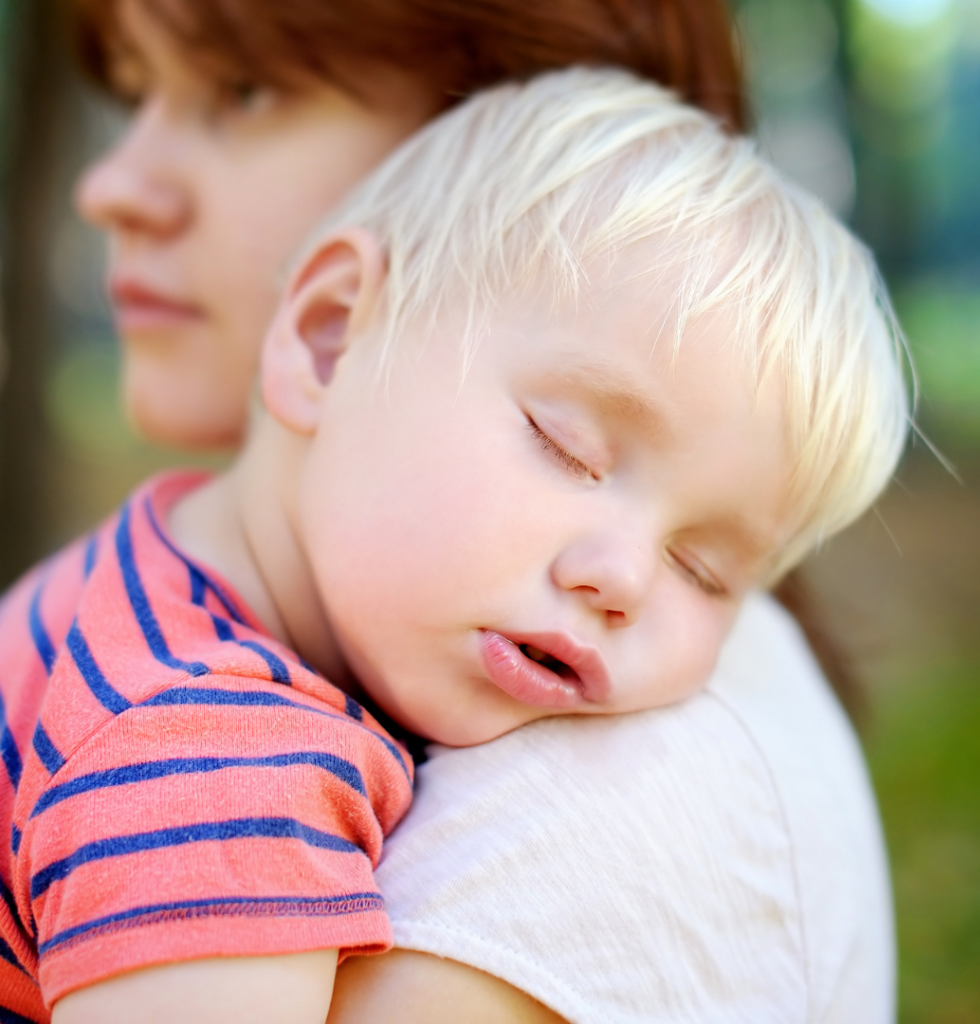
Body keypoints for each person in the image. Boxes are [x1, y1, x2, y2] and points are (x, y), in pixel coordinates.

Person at [0, 68, 907, 1022]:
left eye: (706, 571)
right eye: (568, 449)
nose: (625, 578)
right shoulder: (212, 767)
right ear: (331, 336)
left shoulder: (140, 571)